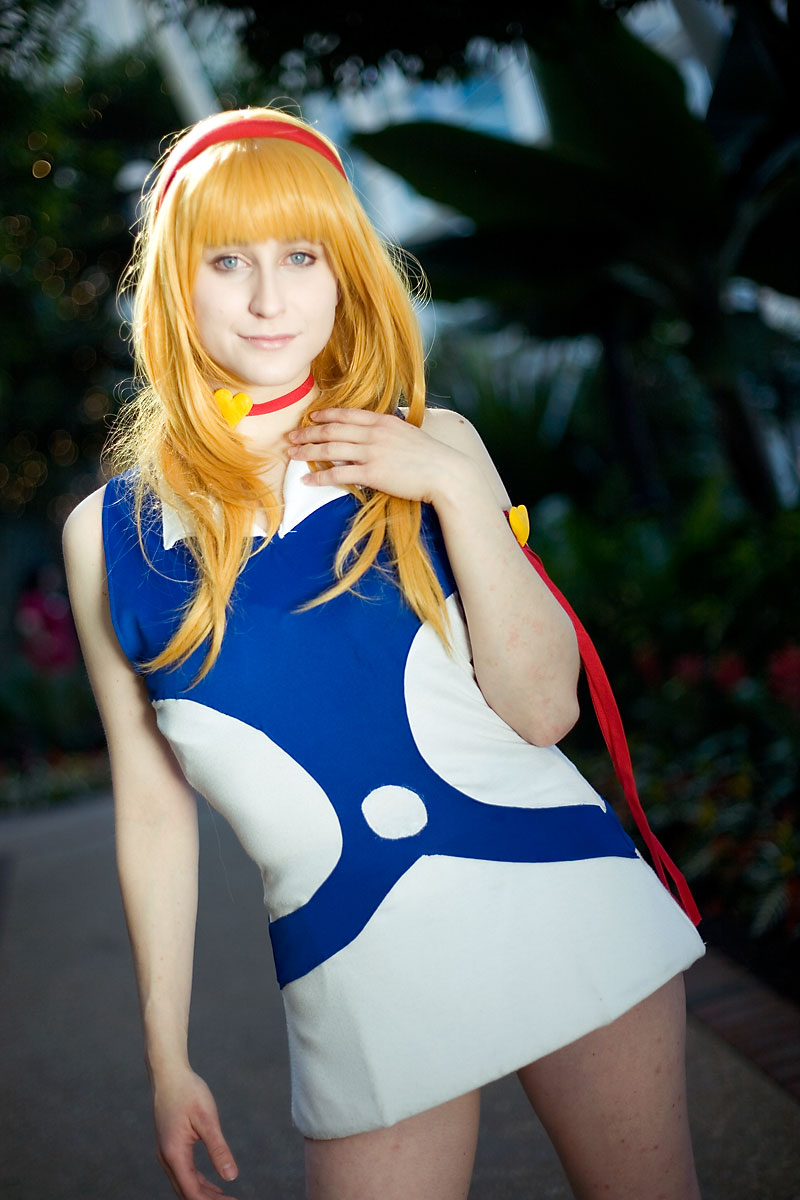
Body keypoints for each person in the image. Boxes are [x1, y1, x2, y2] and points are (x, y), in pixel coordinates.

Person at [63, 106, 705, 1200]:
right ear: (175, 284)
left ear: (342, 274)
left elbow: (545, 710)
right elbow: (154, 810)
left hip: (556, 893)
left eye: (300, 257)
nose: (269, 299)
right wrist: (167, 1058)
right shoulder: (110, 537)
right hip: (349, 962)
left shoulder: (432, 439)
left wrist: (449, 481)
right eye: (229, 261)